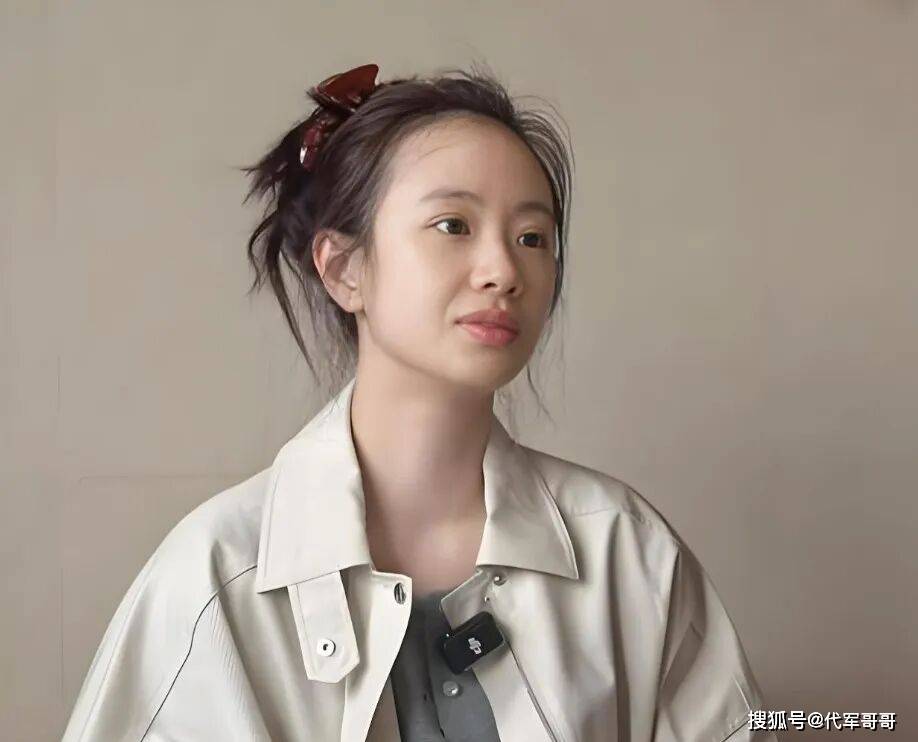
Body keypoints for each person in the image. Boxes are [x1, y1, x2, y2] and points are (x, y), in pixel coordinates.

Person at [60, 63, 778, 742]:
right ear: (345, 269)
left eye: (532, 237)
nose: (504, 270)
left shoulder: (628, 552)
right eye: (453, 226)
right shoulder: (216, 577)